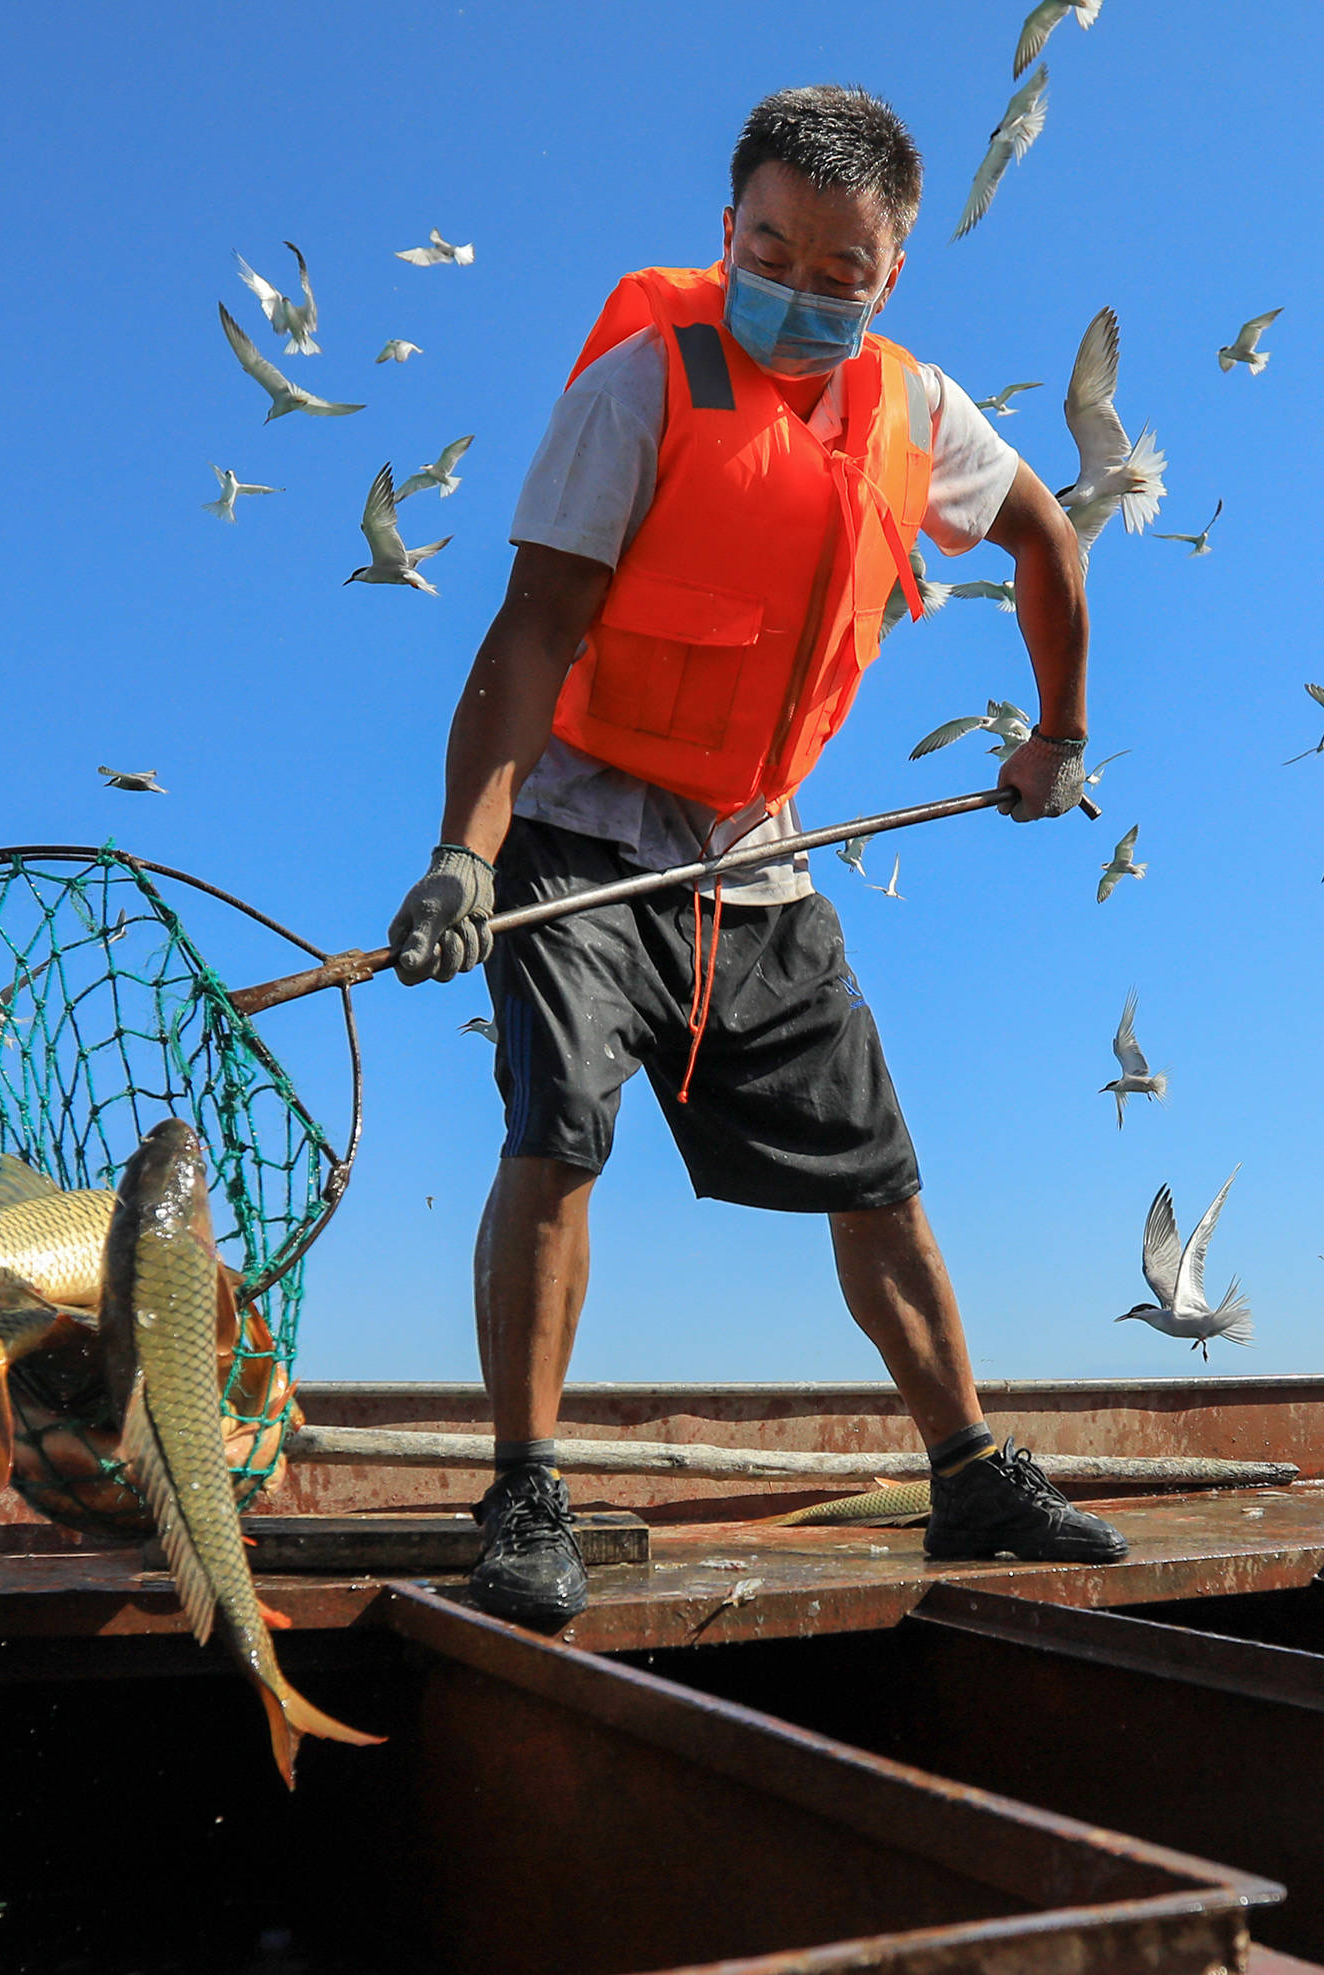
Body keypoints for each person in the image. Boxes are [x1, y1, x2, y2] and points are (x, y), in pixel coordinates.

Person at [385, 84, 1125, 1627]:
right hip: (580, 827)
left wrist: (1054, 738)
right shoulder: (640, 390)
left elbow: (1051, 540)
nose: (800, 283)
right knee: (556, 1130)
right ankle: (525, 1487)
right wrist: (468, 853)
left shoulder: (920, 417)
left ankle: (971, 1474)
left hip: (755, 856)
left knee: (879, 1174)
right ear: (728, 232)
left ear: (889, 273)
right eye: (771, 246)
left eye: (839, 266)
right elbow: (528, 633)